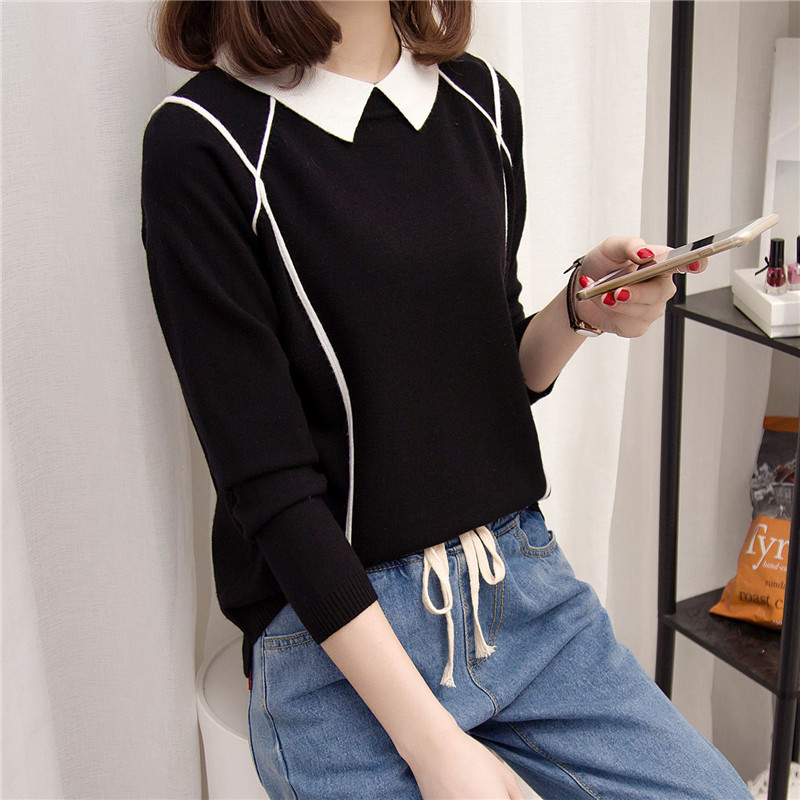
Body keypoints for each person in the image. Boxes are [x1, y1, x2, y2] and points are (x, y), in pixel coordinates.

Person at [140, 2, 753, 798]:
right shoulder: (203, 142)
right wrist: (434, 748)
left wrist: (581, 309)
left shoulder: (483, 102)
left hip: (521, 593)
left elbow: (486, 379)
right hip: (336, 643)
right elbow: (270, 489)